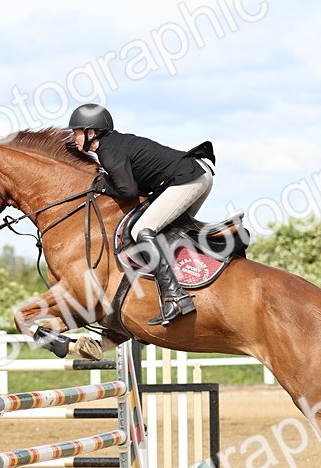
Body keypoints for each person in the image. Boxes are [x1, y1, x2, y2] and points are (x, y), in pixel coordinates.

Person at [68, 103, 215, 326]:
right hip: (196, 174)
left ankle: (176, 296)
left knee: (142, 230)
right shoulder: (114, 144)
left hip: (189, 178)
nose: (73, 137)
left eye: (76, 132)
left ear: (91, 133)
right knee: (166, 234)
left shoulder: (108, 151)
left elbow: (127, 190)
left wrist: (101, 185)